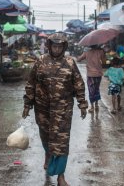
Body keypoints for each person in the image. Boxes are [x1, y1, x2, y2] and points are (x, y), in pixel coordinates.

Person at [22, 32, 88, 186]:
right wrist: (27, 104)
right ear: (49, 46)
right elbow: (31, 83)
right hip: (42, 108)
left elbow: (79, 84)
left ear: (64, 47)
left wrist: (82, 104)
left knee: (61, 141)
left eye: (60, 46)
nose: (57, 49)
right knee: (46, 136)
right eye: (54, 46)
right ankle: (48, 153)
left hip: (63, 109)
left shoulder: (70, 63)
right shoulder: (40, 62)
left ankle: (61, 176)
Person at [77, 44, 106, 113]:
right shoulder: (100, 51)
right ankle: (96, 105)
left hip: (90, 75)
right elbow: (104, 62)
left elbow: (78, 59)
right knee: (96, 89)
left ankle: (92, 107)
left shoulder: (86, 52)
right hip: (98, 74)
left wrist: (80, 57)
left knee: (91, 90)